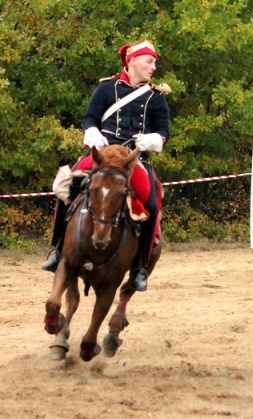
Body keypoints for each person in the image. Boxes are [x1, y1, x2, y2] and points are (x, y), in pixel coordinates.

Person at [42, 40, 170, 292]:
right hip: (102, 152)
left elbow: (164, 131)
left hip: (133, 160)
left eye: (154, 62)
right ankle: (57, 250)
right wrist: (91, 131)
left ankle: (139, 268)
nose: (153, 67)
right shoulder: (106, 88)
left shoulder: (155, 98)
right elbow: (90, 116)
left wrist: (153, 140)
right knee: (66, 187)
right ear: (132, 61)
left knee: (152, 204)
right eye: (149, 61)